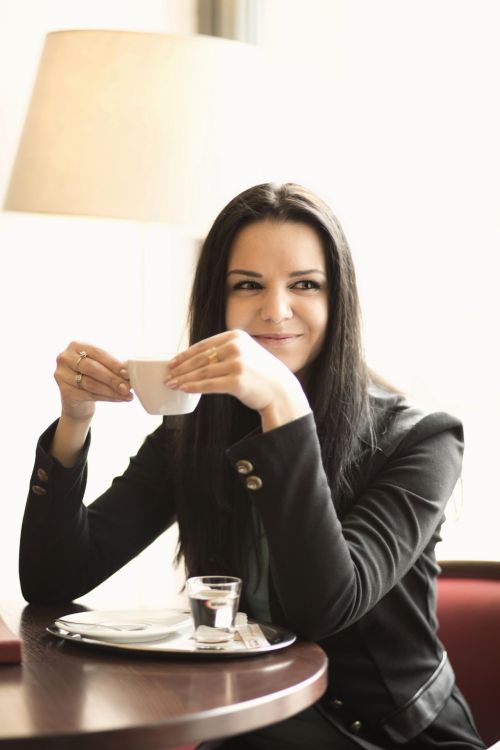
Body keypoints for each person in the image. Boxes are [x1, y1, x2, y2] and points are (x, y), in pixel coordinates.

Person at [20, 183, 484, 750]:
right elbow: (51, 580)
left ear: (339, 300)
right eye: (248, 286)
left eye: (305, 285)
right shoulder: (195, 429)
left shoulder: (423, 439)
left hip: (389, 737)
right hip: (246, 726)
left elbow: (326, 607)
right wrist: (75, 422)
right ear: (218, 301)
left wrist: (282, 404)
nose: (276, 310)